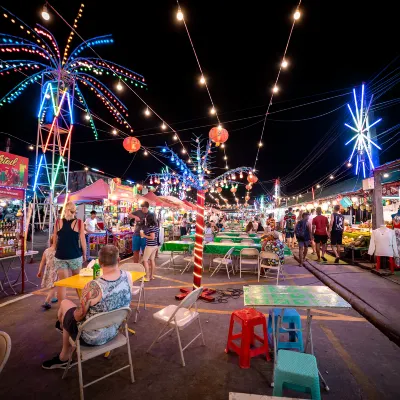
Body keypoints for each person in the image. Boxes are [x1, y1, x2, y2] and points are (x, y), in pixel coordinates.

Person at [42, 245, 133, 370]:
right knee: (67, 312)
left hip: (91, 338)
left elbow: (78, 316)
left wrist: (67, 317)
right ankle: (63, 329)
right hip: (115, 330)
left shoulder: (94, 286)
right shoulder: (128, 276)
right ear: (118, 260)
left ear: (99, 263)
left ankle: (64, 355)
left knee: (65, 306)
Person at [53, 201, 87, 302]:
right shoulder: (79, 222)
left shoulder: (58, 222)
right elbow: (82, 240)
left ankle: (61, 310)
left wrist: (54, 247)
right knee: (78, 283)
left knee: (62, 284)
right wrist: (85, 253)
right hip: (75, 255)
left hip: (60, 256)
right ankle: (83, 306)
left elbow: (54, 237)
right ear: (74, 211)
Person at [37, 237, 57, 310]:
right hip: (56, 270)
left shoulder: (46, 251)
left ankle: (54, 297)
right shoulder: (58, 251)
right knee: (53, 286)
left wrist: (39, 271)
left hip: (48, 270)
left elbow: (42, 261)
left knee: (52, 285)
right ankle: (46, 302)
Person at [140, 213, 159, 280]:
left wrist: (144, 235)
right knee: (152, 260)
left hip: (150, 246)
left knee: (145, 260)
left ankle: (147, 277)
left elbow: (152, 237)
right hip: (155, 245)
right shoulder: (156, 226)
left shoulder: (151, 227)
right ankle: (151, 276)